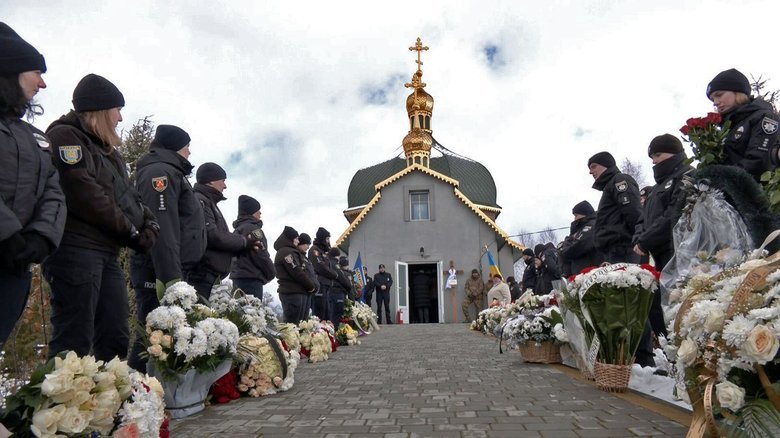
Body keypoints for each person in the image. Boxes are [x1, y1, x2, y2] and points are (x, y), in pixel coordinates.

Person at [45, 74, 158, 361]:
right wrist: (131, 232)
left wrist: (148, 223)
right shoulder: (64, 137)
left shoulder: (110, 153)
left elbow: (129, 196)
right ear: (101, 109)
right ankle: (65, 403)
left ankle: (110, 401)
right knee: (73, 340)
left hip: (108, 251)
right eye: (117, 110)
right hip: (76, 250)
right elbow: (86, 195)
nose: (120, 118)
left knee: (115, 333)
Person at [0, 23, 66, 347]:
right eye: (36, 72)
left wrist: (41, 236)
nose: (42, 82)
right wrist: (7, 233)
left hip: (14, 268)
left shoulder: (34, 137)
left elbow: (54, 190)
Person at [129, 124, 206, 371]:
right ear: (175, 148)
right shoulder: (160, 172)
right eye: (187, 147)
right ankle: (136, 390)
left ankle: (152, 391)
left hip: (169, 267)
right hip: (159, 269)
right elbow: (163, 228)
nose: (190, 153)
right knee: (152, 332)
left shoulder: (171, 172)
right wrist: (171, 278)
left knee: (162, 335)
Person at [633, 134, 694, 339]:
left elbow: (673, 214)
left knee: (678, 308)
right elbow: (643, 219)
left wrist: (646, 240)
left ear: (674, 153)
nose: (654, 161)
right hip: (657, 256)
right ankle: (668, 357)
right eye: (652, 157)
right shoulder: (657, 187)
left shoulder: (686, 176)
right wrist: (639, 238)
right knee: (659, 309)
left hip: (676, 252)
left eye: (658, 155)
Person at [190, 162, 261, 300]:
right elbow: (212, 235)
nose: (225, 185)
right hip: (202, 274)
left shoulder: (209, 203)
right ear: (211, 180)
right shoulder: (201, 201)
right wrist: (243, 242)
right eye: (223, 180)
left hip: (210, 275)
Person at [706, 68, 779, 181]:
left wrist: (722, 181)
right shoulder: (726, 127)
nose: (715, 102)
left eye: (719, 95)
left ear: (737, 92)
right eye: (713, 99)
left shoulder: (764, 117)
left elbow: (758, 162)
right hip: (728, 194)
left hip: (753, 194)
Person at [588, 151, 642, 264]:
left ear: (606, 164)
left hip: (623, 250)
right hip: (613, 251)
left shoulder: (619, 180)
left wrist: (639, 239)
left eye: (593, 166)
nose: (590, 172)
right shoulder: (609, 186)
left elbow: (633, 211)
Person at [230, 195, 275, 299]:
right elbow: (260, 254)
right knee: (251, 313)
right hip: (251, 278)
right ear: (251, 212)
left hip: (239, 276)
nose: (260, 213)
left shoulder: (239, 229)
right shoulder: (252, 229)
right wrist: (271, 273)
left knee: (239, 311)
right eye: (257, 210)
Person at [274, 226, 316, 324]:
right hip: (292, 292)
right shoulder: (286, 252)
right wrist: (311, 286)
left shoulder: (291, 251)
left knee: (300, 325)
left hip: (298, 291)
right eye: (296, 238)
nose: (298, 241)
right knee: (292, 326)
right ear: (290, 239)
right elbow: (297, 271)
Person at [559, 201, 603, 277]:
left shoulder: (591, 225)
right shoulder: (579, 230)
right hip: (583, 272)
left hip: (591, 272)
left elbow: (581, 245)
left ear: (584, 214)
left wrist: (565, 252)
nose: (575, 219)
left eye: (576, 215)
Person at [308, 227, 338, 321]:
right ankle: (319, 335)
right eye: (327, 239)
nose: (328, 241)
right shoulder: (314, 250)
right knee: (320, 314)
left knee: (327, 314)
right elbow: (321, 267)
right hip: (320, 285)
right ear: (322, 238)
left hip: (326, 286)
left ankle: (326, 334)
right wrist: (334, 274)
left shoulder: (323, 252)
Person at [297, 233, 318, 319]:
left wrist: (315, 286)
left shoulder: (306, 258)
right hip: (301, 290)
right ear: (301, 243)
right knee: (298, 320)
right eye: (306, 244)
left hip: (309, 292)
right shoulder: (297, 256)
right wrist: (311, 286)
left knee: (304, 320)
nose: (308, 247)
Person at [331, 255, 355, 323]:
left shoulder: (348, 273)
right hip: (343, 295)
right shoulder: (343, 273)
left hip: (345, 296)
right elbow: (349, 287)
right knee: (340, 315)